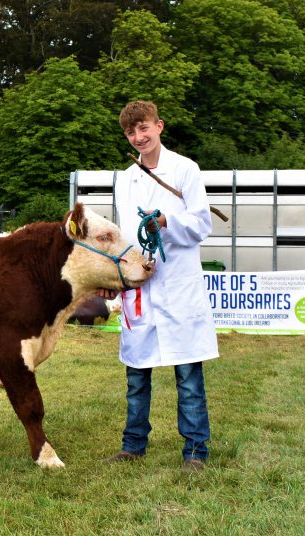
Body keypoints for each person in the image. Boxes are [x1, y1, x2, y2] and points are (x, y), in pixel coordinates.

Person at [101, 99, 218, 472]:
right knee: (137, 374)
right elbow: (122, 234)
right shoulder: (125, 178)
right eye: (131, 132)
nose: (139, 137)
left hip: (179, 284)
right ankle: (133, 444)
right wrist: (118, 275)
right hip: (142, 286)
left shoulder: (185, 169)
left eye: (144, 128)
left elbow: (201, 224)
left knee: (187, 375)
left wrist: (166, 221)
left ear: (159, 126)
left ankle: (196, 451)